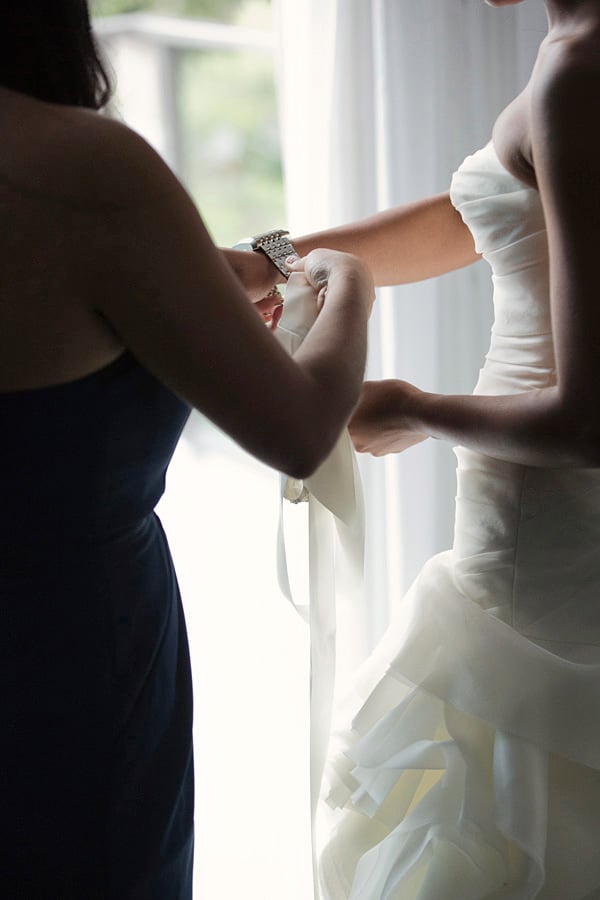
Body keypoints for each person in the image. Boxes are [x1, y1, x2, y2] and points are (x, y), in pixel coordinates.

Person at [0, 3, 375, 897]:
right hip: (65, 668)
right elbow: (299, 428)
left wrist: (240, 258)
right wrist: (347, 283)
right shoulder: (81, 168)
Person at [231, 0, 600, 896]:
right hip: (542, 501)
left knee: (515, 802)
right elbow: (477, 210)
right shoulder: (574, 52)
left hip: (545, 516)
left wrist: (416, 407)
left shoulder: (580, 73)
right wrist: (275, 256)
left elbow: (589, 420)